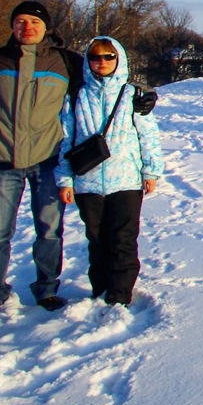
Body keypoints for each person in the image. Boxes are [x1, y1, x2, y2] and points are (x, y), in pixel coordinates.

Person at [0, 0, 82, 313]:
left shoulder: (64, 62)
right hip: (0, 159)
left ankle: (46, 288)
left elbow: (103, 79)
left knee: (49, 230)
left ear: (46, 28)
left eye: (34, 22)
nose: (27, 28)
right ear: (12, 26)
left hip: (47, 158)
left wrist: (139, 94)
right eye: (20, 22)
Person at [57, 35, 163, 305]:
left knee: (123, 238)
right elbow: (65, 138)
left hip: (125, 179)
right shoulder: (76, 95)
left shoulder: (133, 94)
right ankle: (100, 286)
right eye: (95, 57)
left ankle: (120, 291)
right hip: (87, 181)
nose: (101, 62)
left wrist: (150, 172)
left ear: (119, 59)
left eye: (108, 57)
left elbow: (148, 135)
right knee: (96, 238)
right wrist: (65, 179)